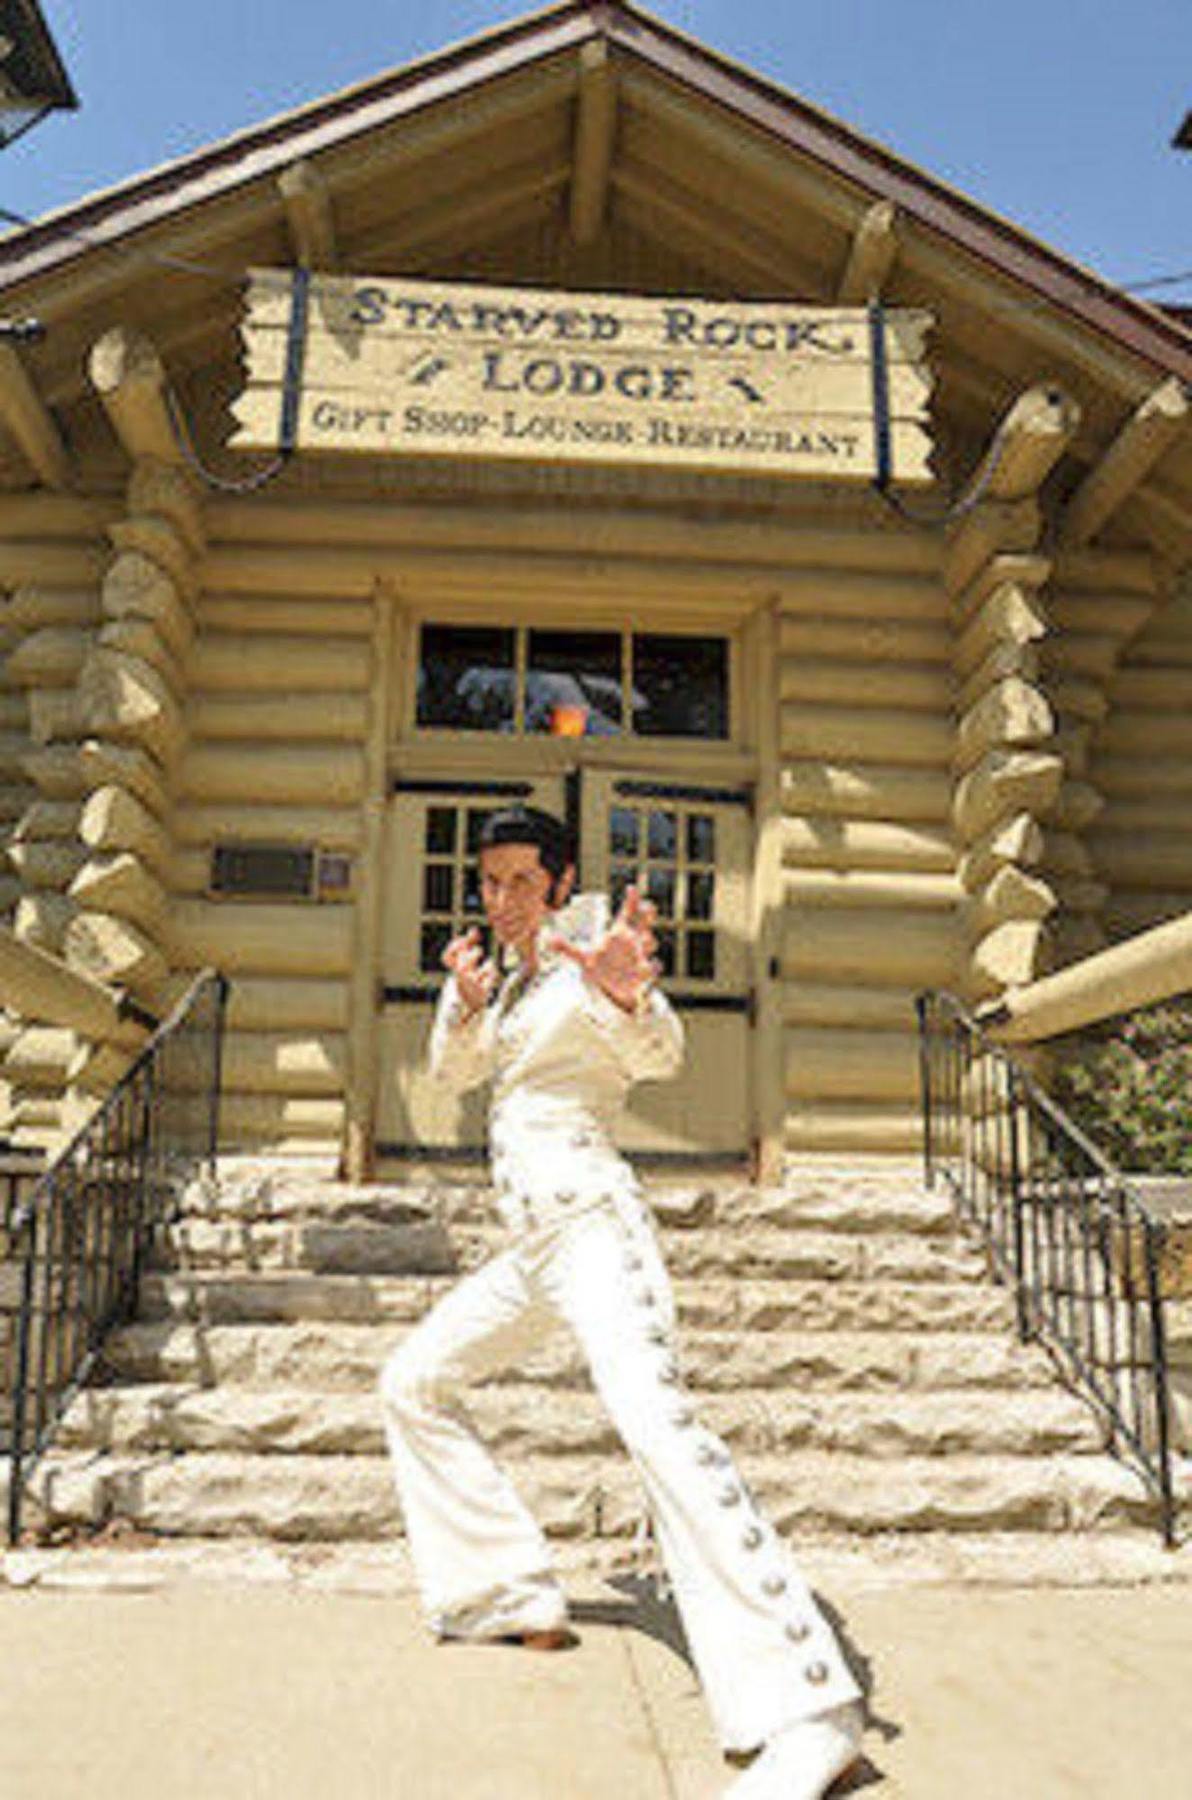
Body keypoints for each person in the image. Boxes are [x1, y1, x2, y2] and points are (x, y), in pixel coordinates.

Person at [379, 806, 864, 1798]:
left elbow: (658, 1054)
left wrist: (630, 998)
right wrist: (462, 1004)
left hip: (595, 1231)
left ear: (561, 883)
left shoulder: (592, 957)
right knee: (412, 1382)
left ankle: (812, 1709)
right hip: (530, 1252)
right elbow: (450, 1075)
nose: (502, 897)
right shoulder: (508, 980)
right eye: (489, 880)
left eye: (522, 879)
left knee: (657, 1428)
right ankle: (505, 1590)